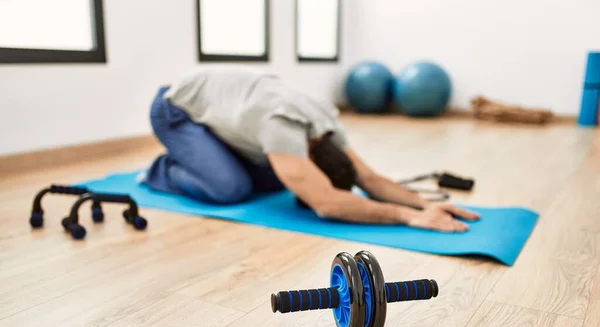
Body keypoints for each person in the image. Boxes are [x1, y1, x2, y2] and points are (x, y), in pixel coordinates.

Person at [140, 68, 480, 233]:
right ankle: (165, 168)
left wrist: (425, 203)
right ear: (311, 161)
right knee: (231, 188)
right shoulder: (281, 126)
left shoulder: (326, 126)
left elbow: (370, 178)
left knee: (279, 176)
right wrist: (408, 216)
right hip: (176, 110)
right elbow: (327, 203)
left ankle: (202, 158)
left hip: (229, 110)